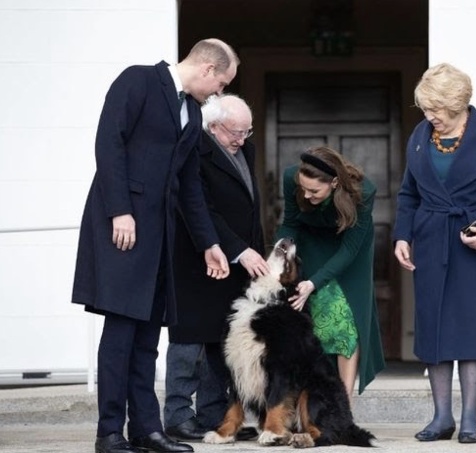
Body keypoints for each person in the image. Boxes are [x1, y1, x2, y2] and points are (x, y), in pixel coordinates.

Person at [71, 39, 239, 453]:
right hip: (123, 228)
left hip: (160, 236)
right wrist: (120, 211)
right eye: (221, 83)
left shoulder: (193, 111)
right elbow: (108, 144)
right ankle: (109, 432)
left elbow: (189, 188)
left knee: (148, 337)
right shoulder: (139, 81)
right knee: (122, 330)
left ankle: (147, 430)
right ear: (206, 68)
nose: (218, 93)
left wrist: (208, 244)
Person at [393, 63, 476, 444]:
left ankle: (469, 419)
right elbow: (408, 194)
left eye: (437, 109)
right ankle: (441, 417)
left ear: (458, 103)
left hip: (473, 244)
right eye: (426, 109)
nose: (430, 117)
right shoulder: (420, 136)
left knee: (470, 329)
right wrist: (403, 235)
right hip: (431, 241)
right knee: (433, 330)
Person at [164, 94, 267, 442]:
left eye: (247, 131)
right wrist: (240, 250)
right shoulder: (195, 150)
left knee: (222, 342)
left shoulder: (245, 151)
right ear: (212, 126)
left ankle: (213, 414)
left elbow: (249, 210)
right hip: (197, 259)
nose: (241, 139)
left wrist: (255, 253)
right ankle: (178, 416)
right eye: (234, 132)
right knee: (188, 341)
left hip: (236, 264)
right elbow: (202, 209)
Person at [276, 146, 385, 403]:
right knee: (315, 320)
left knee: (346, 321)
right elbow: (291, 223)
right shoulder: (292, 178)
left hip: (349, 250)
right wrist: (281, 256)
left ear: (335, 182)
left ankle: (342, 405)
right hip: (311, 243)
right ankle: (312, 398)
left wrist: (314, 282)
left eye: (314, 191)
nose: (306, 194)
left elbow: (349, 249)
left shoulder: (363, 192)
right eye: (303, 188)